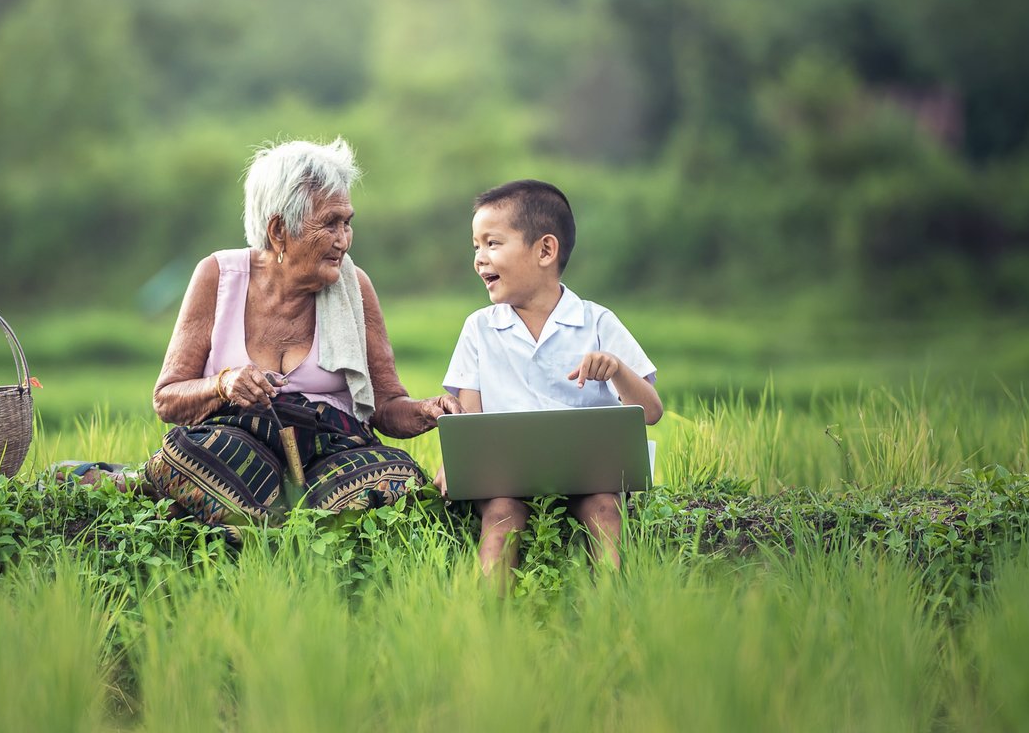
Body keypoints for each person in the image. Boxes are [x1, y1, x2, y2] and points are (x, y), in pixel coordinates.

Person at [142, 137, 458, 538]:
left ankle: (265, 527)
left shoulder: (354, 287)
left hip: (330, 449)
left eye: (348, 223)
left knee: (398, 476)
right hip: (240, 448)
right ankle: (295, 528)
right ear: (278, 230)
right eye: (330, 223)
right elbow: (168, 398)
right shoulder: (218, 276)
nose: (344, 239)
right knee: (187, 454)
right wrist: (224, 384)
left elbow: (384, 405)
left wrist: (427, 411)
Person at [439, 179, 662, 586]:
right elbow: (468, 419)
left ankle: (613, 615)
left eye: (492, 243)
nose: (479, 258)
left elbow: (651, 411)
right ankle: (487, 621)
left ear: (545, 250)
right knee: (501, 516)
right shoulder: (479, 329)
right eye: (476, 246)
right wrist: (454, 463)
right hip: (506, 476)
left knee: (604, 511)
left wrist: (617, 370)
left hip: (591, 473)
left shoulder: (596, 322)